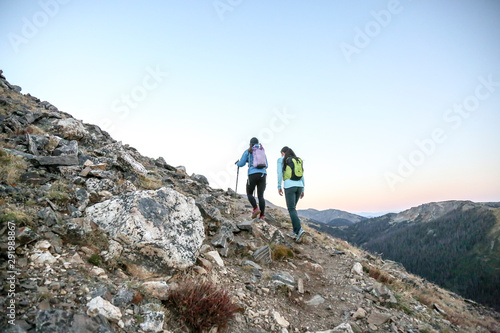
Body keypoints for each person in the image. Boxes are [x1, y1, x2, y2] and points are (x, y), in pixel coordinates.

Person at [277, 146, 307, 242]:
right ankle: (295, 231)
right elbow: (302, 175)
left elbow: (279, 173)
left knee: (291, 209)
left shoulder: (282, 160)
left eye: (281, 153)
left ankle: (299, 230)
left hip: (289, 186)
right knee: (293, 208)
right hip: (299, 186)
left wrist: (279, 186)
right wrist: (303, 189)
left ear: (283, 153)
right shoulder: (298, 160)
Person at [236, 137, 268, 220]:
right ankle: (262, 216)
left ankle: (255, 208)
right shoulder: (262, 151)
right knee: (261, 196)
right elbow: (266, 165)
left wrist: (237, 163)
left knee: (249, 193)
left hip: (252, 174)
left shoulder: (248, 151)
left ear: (250, 143)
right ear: (258, 143)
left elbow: (241, 163)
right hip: (263, 174)